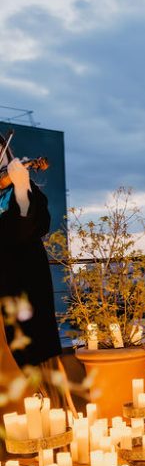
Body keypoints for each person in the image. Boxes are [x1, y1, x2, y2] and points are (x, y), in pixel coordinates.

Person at [0, 155, 62, 370]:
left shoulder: (28, 189)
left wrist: (21, 186)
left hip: (25, 274)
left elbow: (27, 230)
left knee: (34, 344)